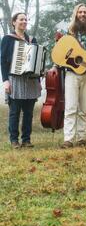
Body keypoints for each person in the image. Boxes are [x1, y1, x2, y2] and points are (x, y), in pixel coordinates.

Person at [56, 3, 86, 148]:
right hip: (72, 74)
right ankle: (68, 139)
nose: (83, 15)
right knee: (70, 107)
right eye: (80, 12)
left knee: (83, 108)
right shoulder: (68, 32)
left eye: (85, 12)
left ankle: (82, 138)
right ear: (75, 14)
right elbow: (59, 52)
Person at [1, 12, 41, 148]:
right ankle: (14, 140)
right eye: (21, 19)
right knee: (14, 112)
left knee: (28, 113)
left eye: (25, 19)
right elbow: (3, 61)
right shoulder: (7, 39)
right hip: (14, 79)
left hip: (30, 81)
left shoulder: (32, 40)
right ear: (14, 22)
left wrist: (39, 82)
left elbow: (36, 61)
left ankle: (26, 139)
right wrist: (5, 80)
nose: (24, 21)